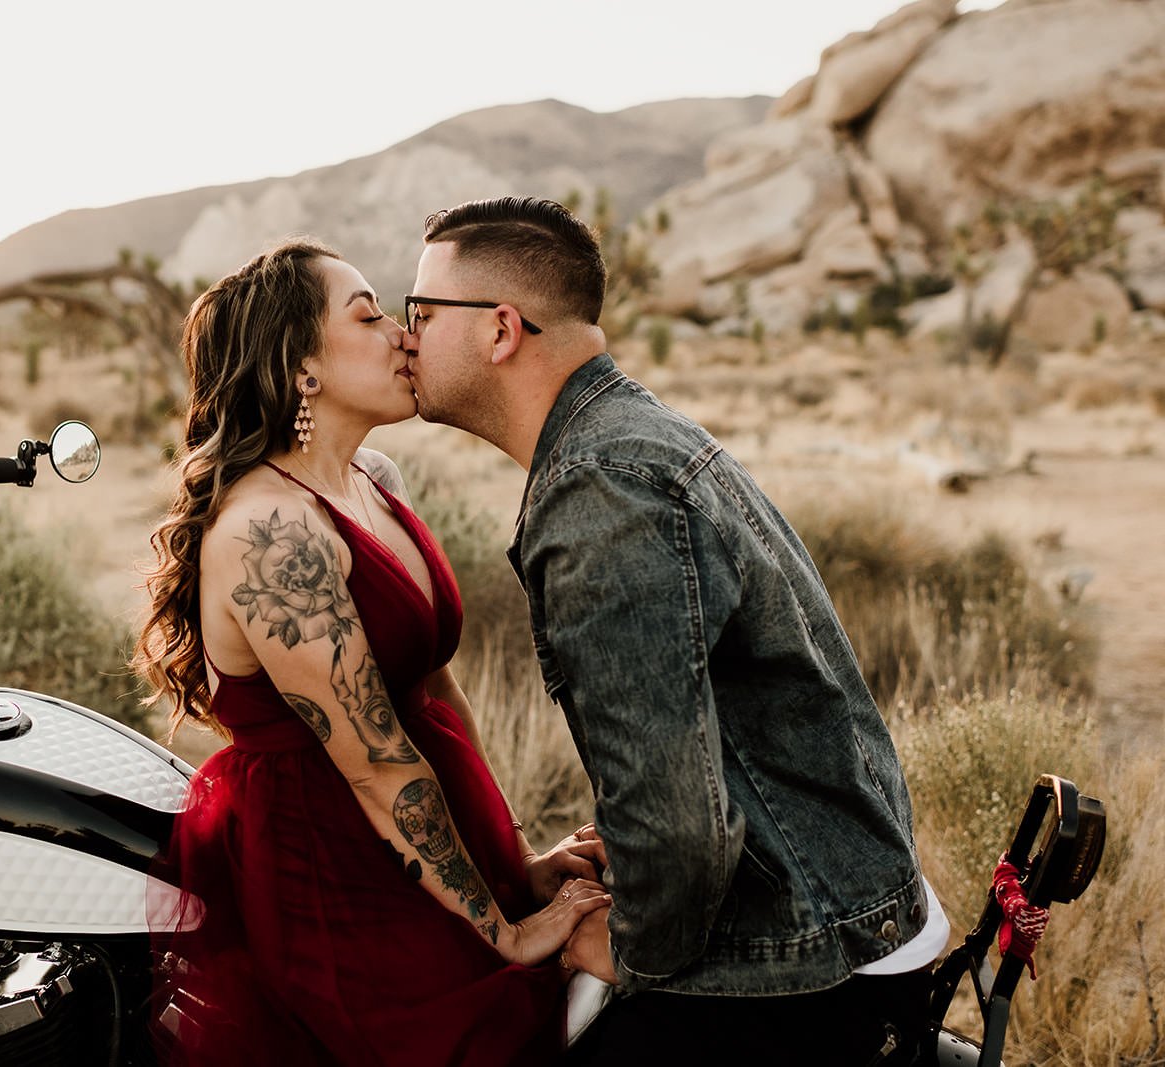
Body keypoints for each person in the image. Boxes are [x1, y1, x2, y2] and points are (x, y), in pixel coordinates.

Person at [401, 197, 947, 1064]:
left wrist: (632, 947)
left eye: (421, 313)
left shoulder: (599, 491)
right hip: (839, 902)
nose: (406, 336)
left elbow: (680, 824)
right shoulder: (632, 437)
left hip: (807, 959)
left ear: (501, 329)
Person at [133, 237, 611, 1066]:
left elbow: (433, 696)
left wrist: (512, 857)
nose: (402, 333)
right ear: (302, 367)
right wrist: (504, 930)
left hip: (428, 842)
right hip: (336, 877)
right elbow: (377, 761)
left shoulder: (375, 477)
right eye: (369, 314)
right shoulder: (267, 532)